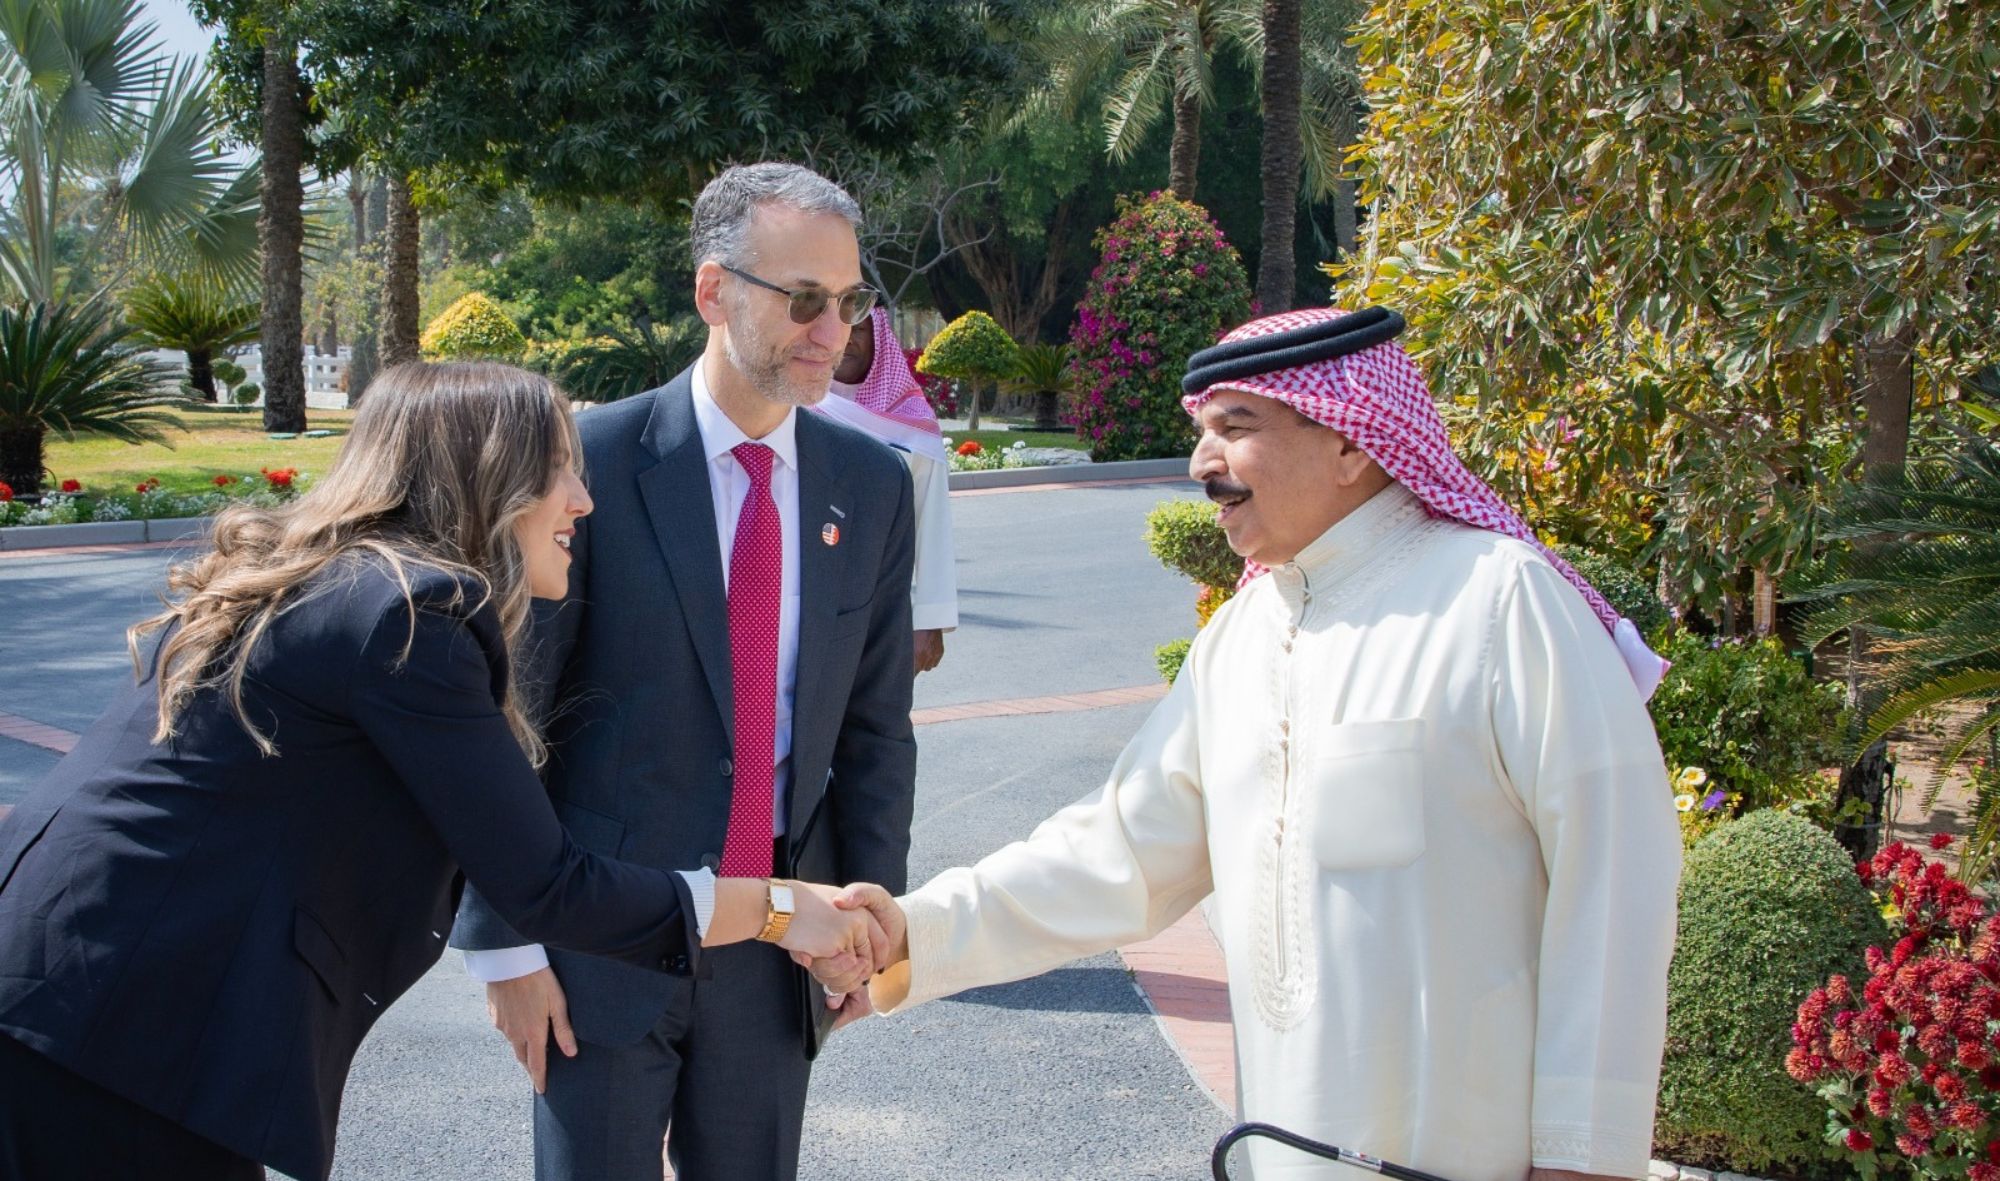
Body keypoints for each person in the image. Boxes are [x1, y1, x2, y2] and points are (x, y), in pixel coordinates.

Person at [830, 307, 1681, 1180]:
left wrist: (1585, 1156)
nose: (1203, 463)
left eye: (1236, 428)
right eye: (1202, 431)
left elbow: (1617, 877)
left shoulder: (1499, 602)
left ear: (1349, 442)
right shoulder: (1241, 638)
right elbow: (1116, 854)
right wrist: (915, 931)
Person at [0, 362, 887, 1181]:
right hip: (119, 1025)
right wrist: (778, 908)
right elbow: (549, 883)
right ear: (485, 476)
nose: (583, 498)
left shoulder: (347, 584)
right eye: (558, 469)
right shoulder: (410, 614)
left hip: (85, 999)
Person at [450, 162, 919, 1181]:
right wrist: (507, 948)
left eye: (849, 303)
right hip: (600, 945)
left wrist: (868, 912)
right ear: (714, 291)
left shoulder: (873, 485)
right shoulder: (586, 461)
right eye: (803, 298)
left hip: (782, 943)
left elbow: (875, 726)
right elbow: (506, 718)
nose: (831, 331)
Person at [817, 306, 957, 673]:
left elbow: (932, 523)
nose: (847, 339)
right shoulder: (792, 412)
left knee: (880, 706)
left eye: (859, 330)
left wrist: (929, 622)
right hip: (807, 603)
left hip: (884, 609)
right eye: (838, 327)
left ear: (878, 339)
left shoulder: (914, 427)